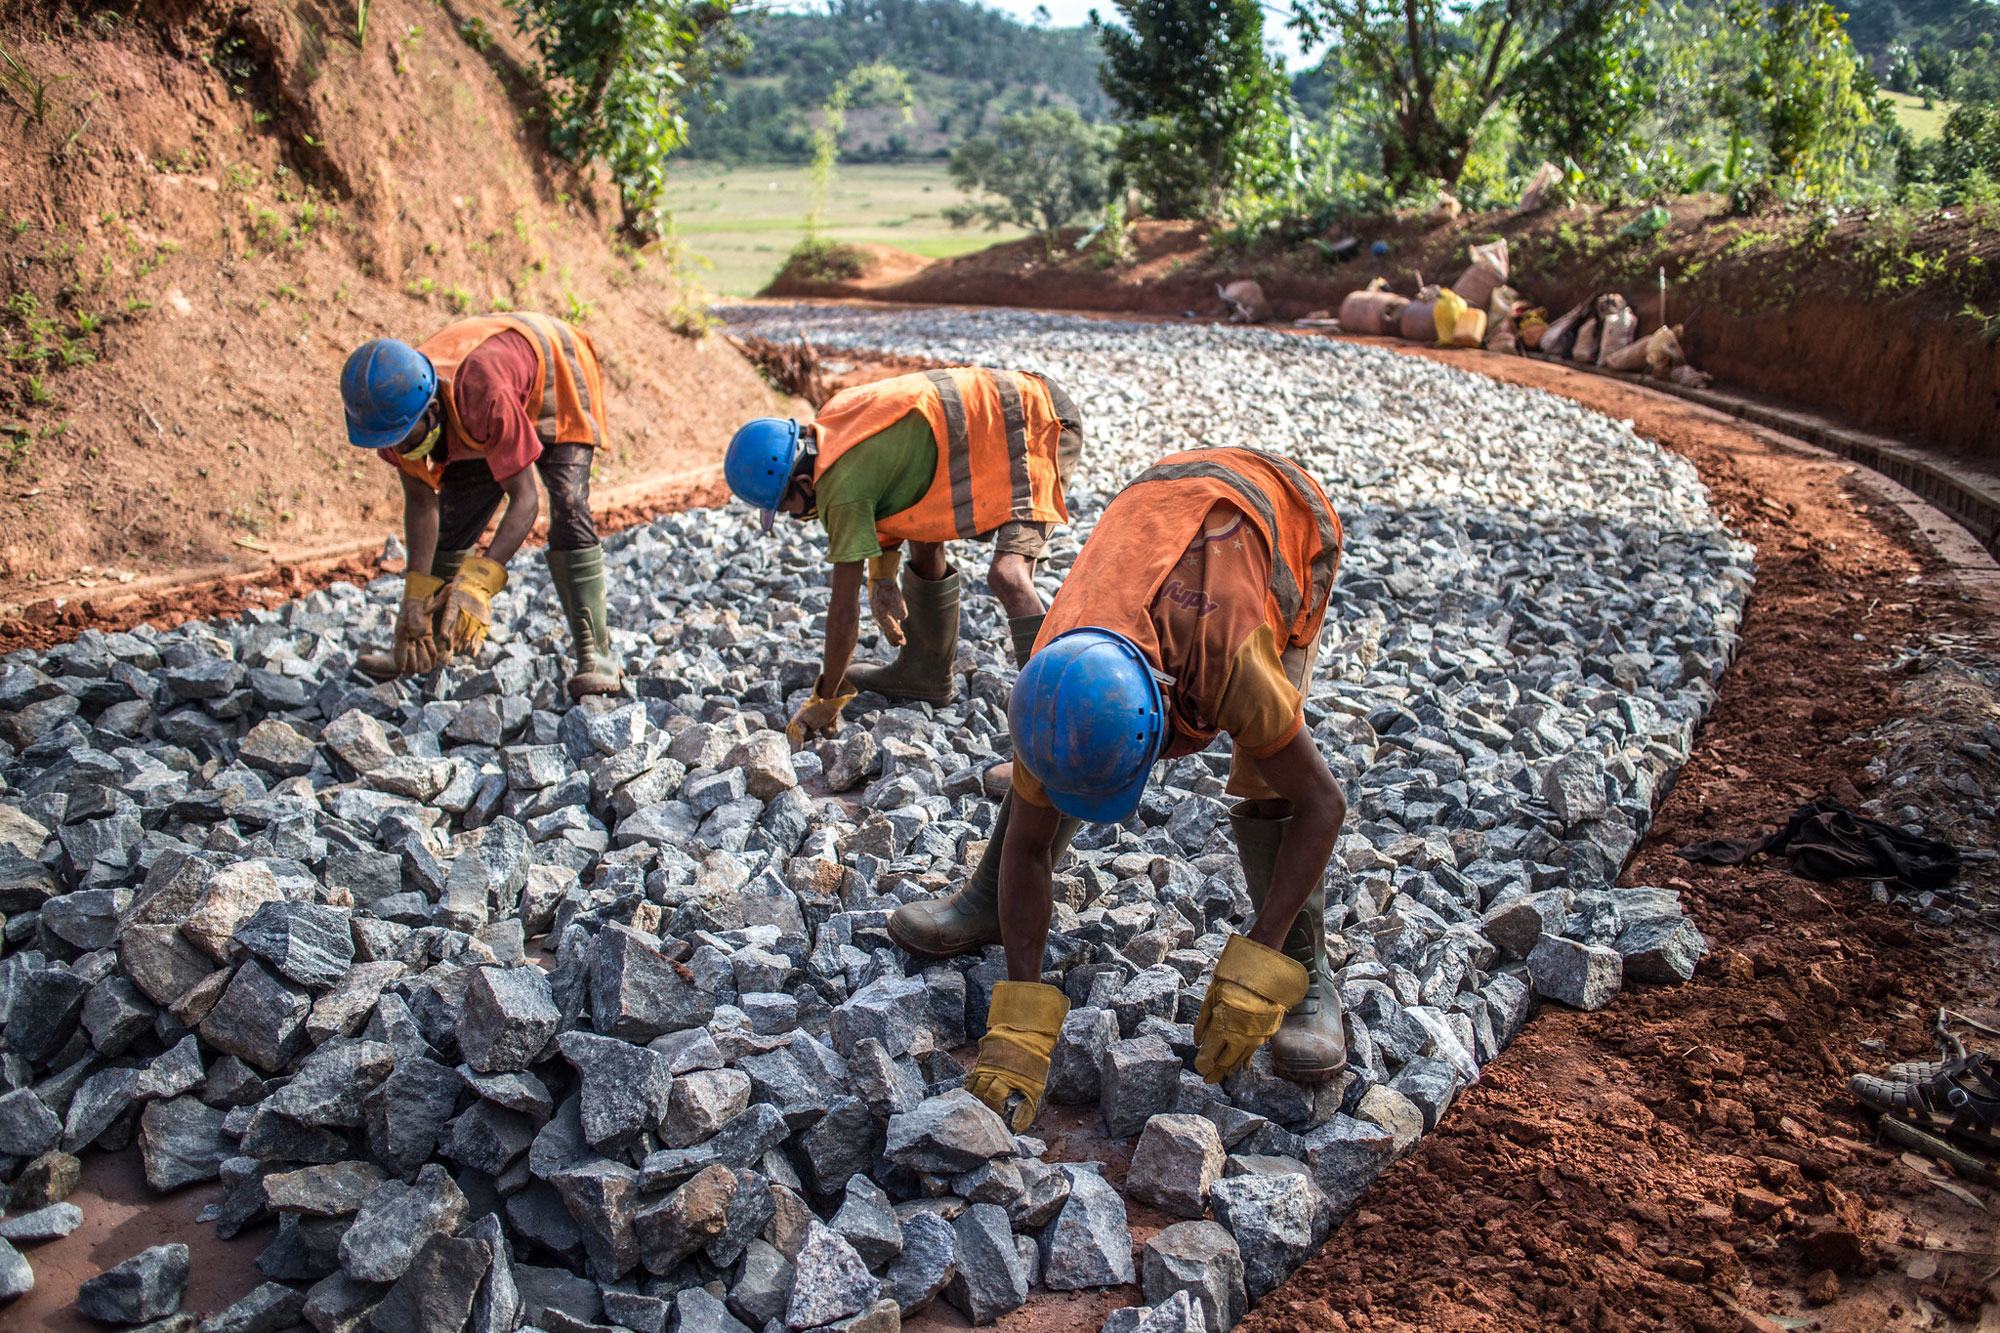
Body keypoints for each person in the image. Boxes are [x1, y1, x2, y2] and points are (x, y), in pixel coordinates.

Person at [887, 446, 1349, 1130]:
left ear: (1160, 723)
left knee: (1270, 777)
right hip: (1156, 506)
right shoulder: (1054, 668)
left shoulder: (1233, 662)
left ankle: (1306, 970)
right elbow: (1031, 847)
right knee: (1061, 759)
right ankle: (988, 903)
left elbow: (1324, 803)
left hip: (1278, 518)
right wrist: (1019, 1011)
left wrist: (1261, 956)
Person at [723, 367, 1084, 744]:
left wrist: (826, 697)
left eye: (787, 508)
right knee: (924, 533)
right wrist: (882, 578)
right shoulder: (834, 426)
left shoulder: (838, 488)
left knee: (1008, 574)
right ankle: (925, 674)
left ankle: (1058, 734)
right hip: (1002, 415)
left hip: (1038, 422)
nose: (795, 518)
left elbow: (843, 613)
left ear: (800, 483)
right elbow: (893, 483)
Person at [339, 311, 623, 699]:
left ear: (432, 412)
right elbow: (423, 504)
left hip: (555, 365)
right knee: (456, 518)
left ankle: (596, 654)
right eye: (391, 441)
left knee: (568, 503)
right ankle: (432, 644)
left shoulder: (480, 394)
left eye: (405, 440)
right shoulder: (393, 417)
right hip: (490, 392)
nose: (399, 449)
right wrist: (413, 599)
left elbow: (525, 499)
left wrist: (480, 583)